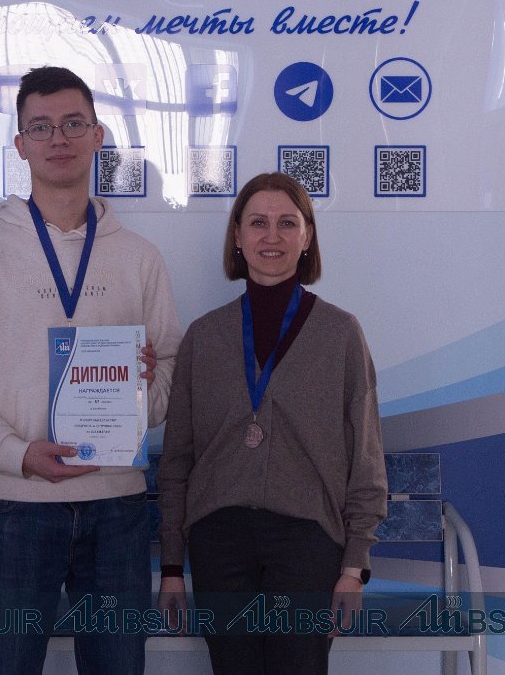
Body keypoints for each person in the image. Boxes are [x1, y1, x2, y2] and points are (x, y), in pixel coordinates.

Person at [0, 66, 182, 675]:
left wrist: (144, 391)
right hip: (13, 507)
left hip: (118, 507)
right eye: (40, 127)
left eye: (73, 123)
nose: (58, 138)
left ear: (98, 135)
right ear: (20, 145)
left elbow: (170, 368)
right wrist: (17, 454)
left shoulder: (140, 258)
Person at [157, 172, 387, 675]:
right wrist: (172, 566)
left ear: (307, 237)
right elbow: (176, 462)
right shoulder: (204, 337)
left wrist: (354, 566)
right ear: (237, 236)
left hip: (307, 540)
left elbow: (366, 458)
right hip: (219, 539)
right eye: (258, 223)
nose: (272, 236)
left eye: (287, 223)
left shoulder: (341, 334)